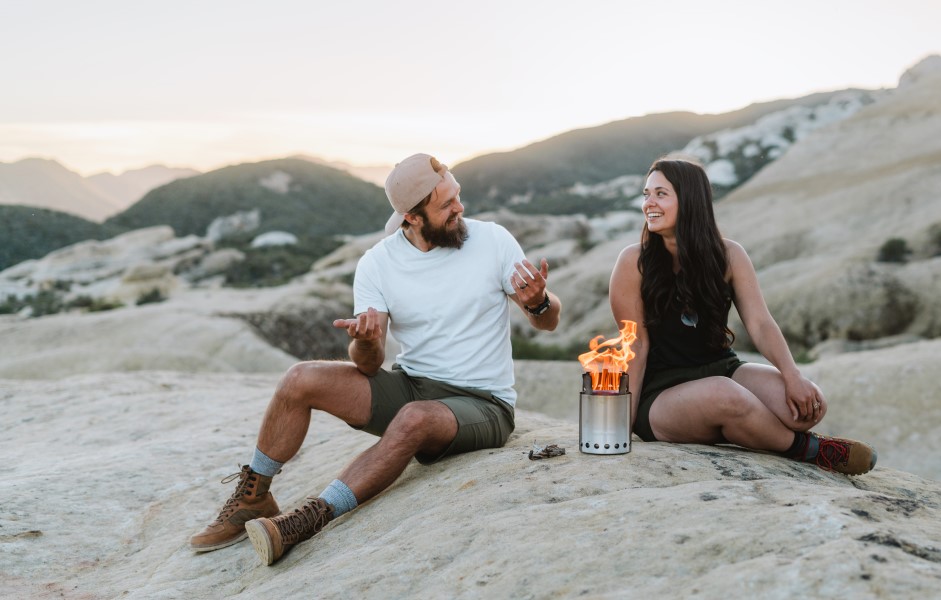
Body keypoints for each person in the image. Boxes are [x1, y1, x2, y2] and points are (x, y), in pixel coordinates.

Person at [187, 153, 561, 565]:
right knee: (299, 378)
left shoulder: (493, 241)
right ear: (412, 218)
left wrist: (539, 303)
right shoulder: (378, 264)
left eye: (457, 196)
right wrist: (364, 342)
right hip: (414, 385)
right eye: (447, 204)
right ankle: (255, 496)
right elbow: (369, 364)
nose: (460, 208)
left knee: (415, 418)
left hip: (484, 404)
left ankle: (307, 520)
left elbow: (547, 323)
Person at [609, 158, 876, 475]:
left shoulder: (729, 254)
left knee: (807, 407)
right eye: (646, 194)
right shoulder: (633, 261)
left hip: (722, 367)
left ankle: (742, 426)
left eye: (661, 194)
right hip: (660, 393)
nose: (648, 203)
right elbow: (635, 345)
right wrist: (618, 426)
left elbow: (760, 323)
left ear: (690, 200)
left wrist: (793, 376)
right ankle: (811, 450)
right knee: (725, 396)